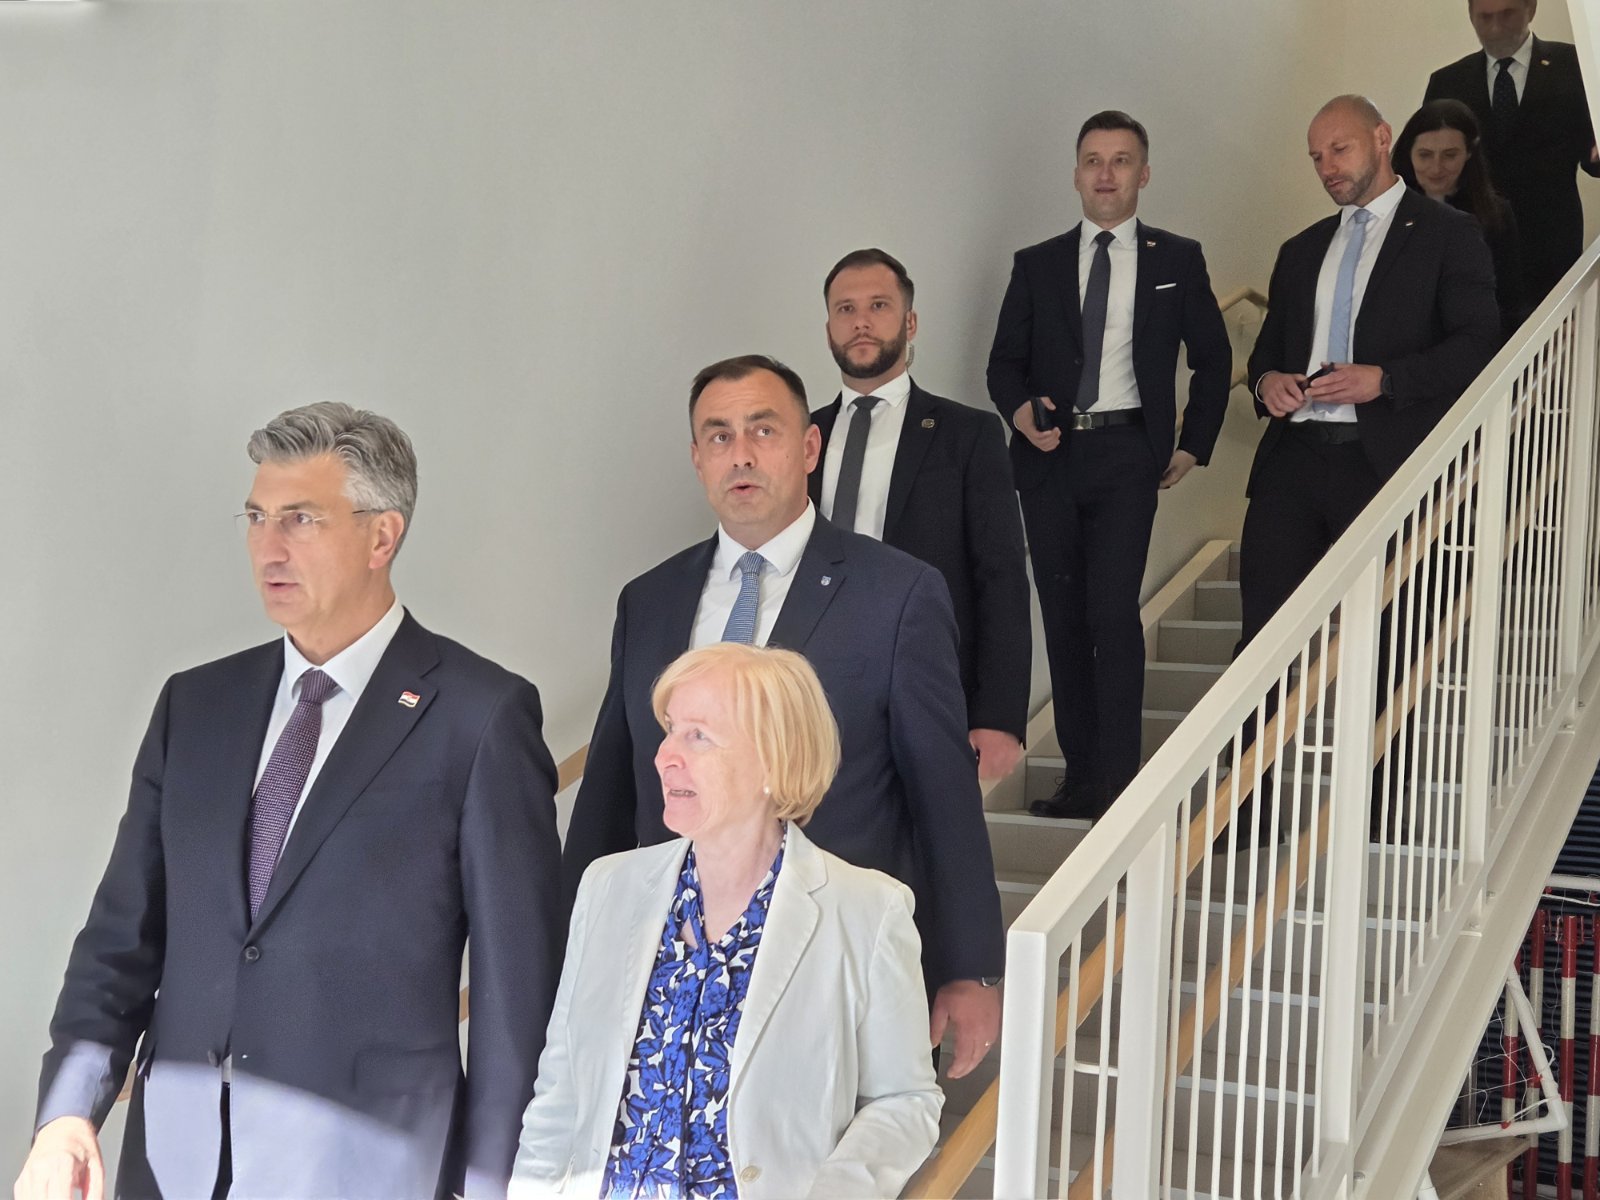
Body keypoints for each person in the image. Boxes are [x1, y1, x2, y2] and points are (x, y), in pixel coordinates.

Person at [17, 403, 564, 1200]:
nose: (269, 547)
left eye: (301, 519)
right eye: (257, 518)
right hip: (175, 1166)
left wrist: (492, 1188)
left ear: (382, 537)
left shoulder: (480, 717)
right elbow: (120, 937)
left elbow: (517, 1002)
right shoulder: (194, 706)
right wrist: (68, 1116)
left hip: (365, 1169)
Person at [563, 354, 1005, 1080]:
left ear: (809, 448)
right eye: (719, 435)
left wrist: (970, 967)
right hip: (671, 962)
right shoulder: (649, 600)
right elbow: (614, 787)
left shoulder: (897, 594)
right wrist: (572, 946)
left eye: (763, 430)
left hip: (832, 956)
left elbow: (943, 792)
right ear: (698, 459)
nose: (740, 453)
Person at [512, 643, 942, 1199]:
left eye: (698, 736)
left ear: (774, 761)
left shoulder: (868, 911)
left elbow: (905, 1100)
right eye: (670, 729)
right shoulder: (608, 887)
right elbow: (561, 1085)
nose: (665, 755)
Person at [986, 109, 1232, 821]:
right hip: (1051, 456)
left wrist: (1194, 441)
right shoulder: (1036, 264)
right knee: (1063, 617)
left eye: (1121, 160)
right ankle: (1081, 778)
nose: (1106, 173)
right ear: (1075, 174)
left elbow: (1214, 358)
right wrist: (1021, 412)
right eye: (1093, 160)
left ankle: (1121, 784)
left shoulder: (1176, 259)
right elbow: (1003, 364)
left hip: (1128, 454)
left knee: (1111, 614)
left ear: (1143, 174)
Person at [1240, 96, 1500, 655]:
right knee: (1262, 636)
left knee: (1391, 640)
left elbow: (1478, 344)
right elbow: (1265, 356)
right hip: (1292, 459)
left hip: (1385, 461)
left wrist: (1384, 380)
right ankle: (1262, 720)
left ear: (1382, 138)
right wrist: (1267, 384)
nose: (1327, 167)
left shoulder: (1449, 234)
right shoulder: (1300, 249)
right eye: (1316, 157)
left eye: (1340, 149)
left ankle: (1383, 719)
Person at [809, 247, 1030, 781]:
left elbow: (1001, 577)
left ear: (909, 323)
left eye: (879, 305)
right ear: (829, 329)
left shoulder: (968, 435)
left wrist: (999, 716)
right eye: (845, 309)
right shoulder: (799, 438)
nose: (861, 321)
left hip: (926, 690)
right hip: (809, 693)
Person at [1424, 0, 1600, 306]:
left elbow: (1593, 157)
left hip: (1551, 250)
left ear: (1531, 9)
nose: (1495, 28)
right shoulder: (1448, 82)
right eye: (1484, 18)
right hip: (1474, 252)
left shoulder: (1576, 67)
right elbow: (1427, 170)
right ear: (1470, 16)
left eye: (1507, 15)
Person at [1393, 98, 1527, 336]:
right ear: (1409, 153)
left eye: (1449, 155)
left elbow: (1508, 302)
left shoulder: (1496, 214)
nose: (1436, 168)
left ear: (1469, 153)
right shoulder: (1389, 211)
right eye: (1425, 155)